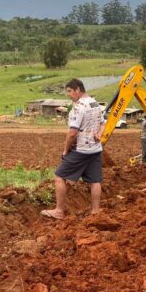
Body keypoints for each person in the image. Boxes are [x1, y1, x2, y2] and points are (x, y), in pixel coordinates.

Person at [41, 78, 105, 220]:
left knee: (59, 176)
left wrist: (65, 150)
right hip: (95, 149)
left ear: (77, 90)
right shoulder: (95, 104)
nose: (68, 95)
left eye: (70, 91)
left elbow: (72, 133)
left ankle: (59, 211)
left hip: (81, 149)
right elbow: (102, 124)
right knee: (95, 180)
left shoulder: (78, 107)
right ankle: (95, 211)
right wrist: (99, 134)